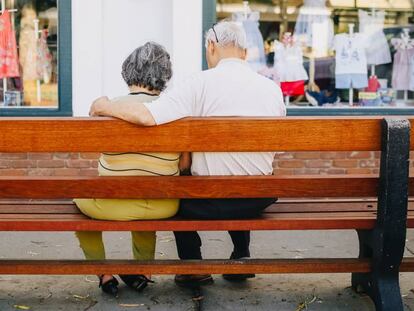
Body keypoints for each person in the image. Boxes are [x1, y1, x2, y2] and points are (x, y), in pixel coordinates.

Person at [90, 21, 286, 288]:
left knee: (180, 191)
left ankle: (193, 267)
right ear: (244, 52)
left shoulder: (199, 83)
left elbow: (147, 116)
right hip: (258, 197)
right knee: (242, 174)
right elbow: (278, 150)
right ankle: (241, 255)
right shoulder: (272, 88)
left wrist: (105, 105)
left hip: (209, 199)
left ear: (212, 46)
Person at [75, 42, 186, 297]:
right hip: (163, 206)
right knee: (146, 190)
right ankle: (143, 271)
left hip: (110, 205)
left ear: (128, 71)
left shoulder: (109, 108)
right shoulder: (174, 109)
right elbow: (185, 164)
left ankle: (103, 274)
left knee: (79, 199)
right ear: (165, 74)